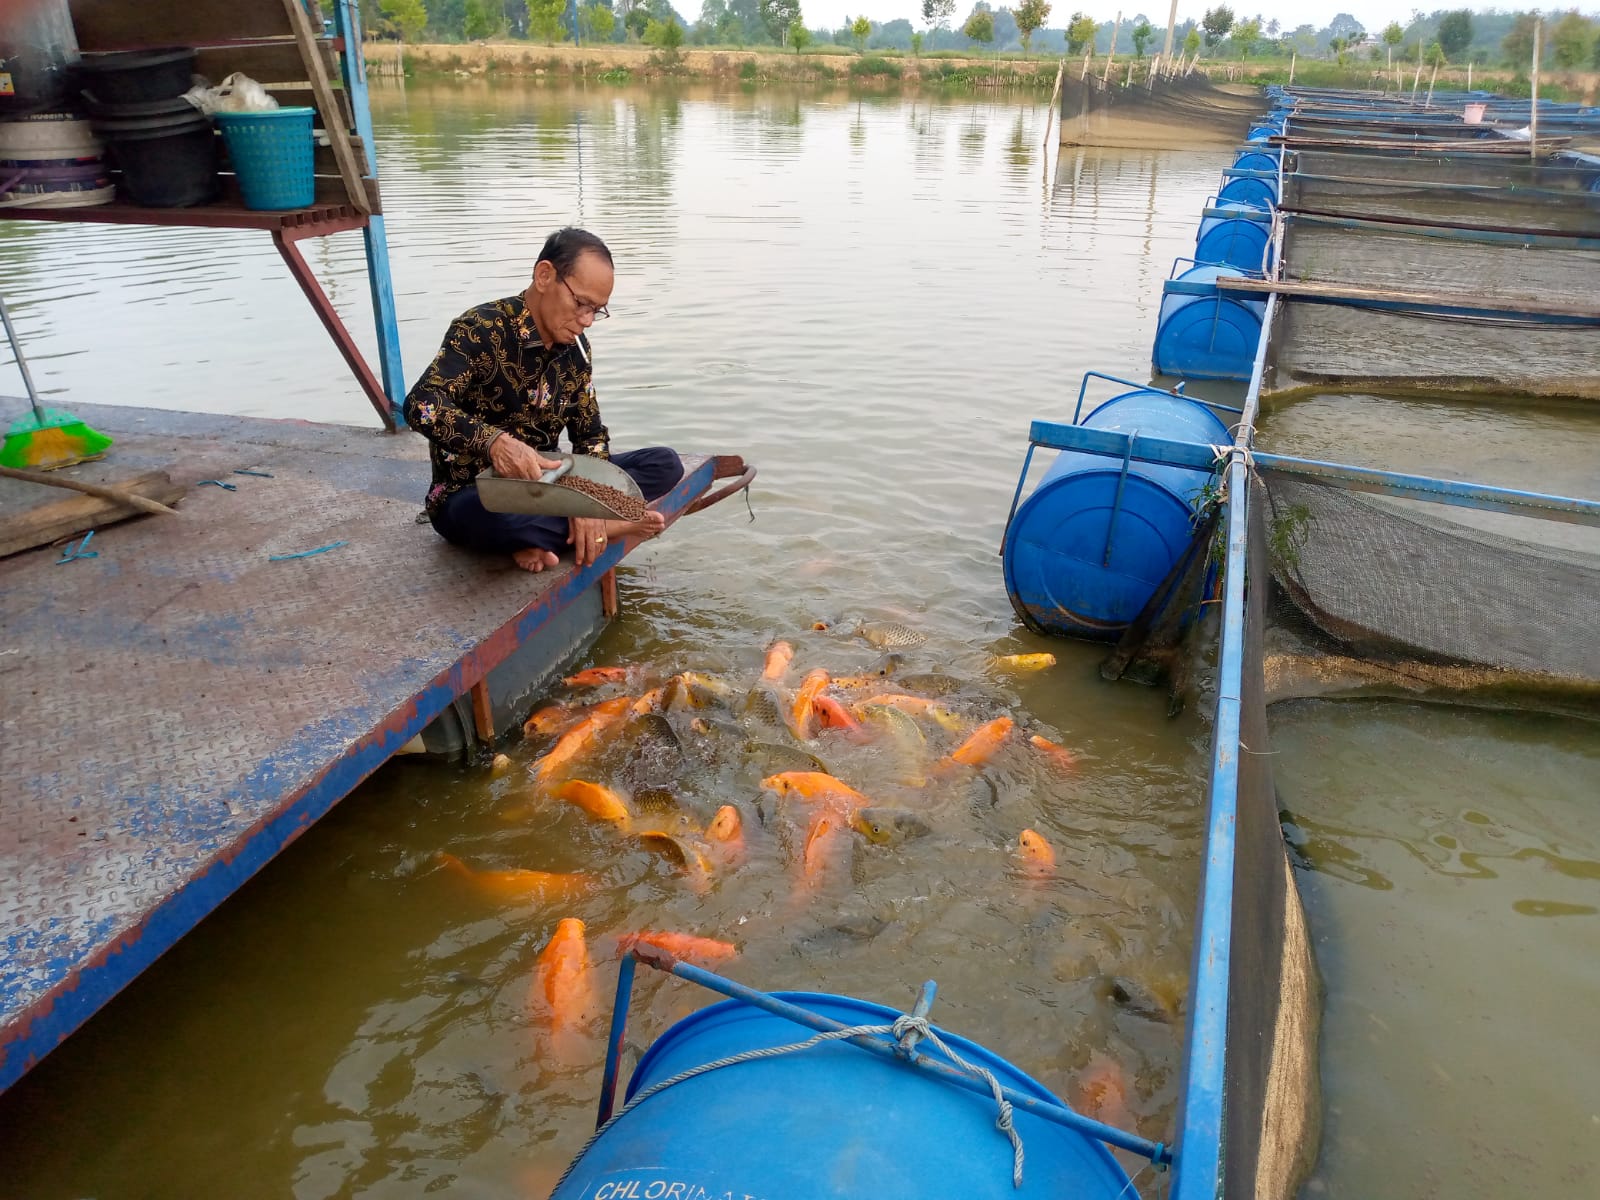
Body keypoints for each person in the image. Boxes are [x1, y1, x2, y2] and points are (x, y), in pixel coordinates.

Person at [404, 227, 684, 573]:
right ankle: (602, 527)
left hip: (552, 490)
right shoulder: (481, 329)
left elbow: (590, 437)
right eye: (581, 304)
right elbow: (422, 404)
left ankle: (550, 535)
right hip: (475, 491)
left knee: (665, 464)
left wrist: (589, 502)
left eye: (596, 310)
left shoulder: (577, 350)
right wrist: (496, 444)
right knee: (498, 519)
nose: (587, 321)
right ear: (544, 275)